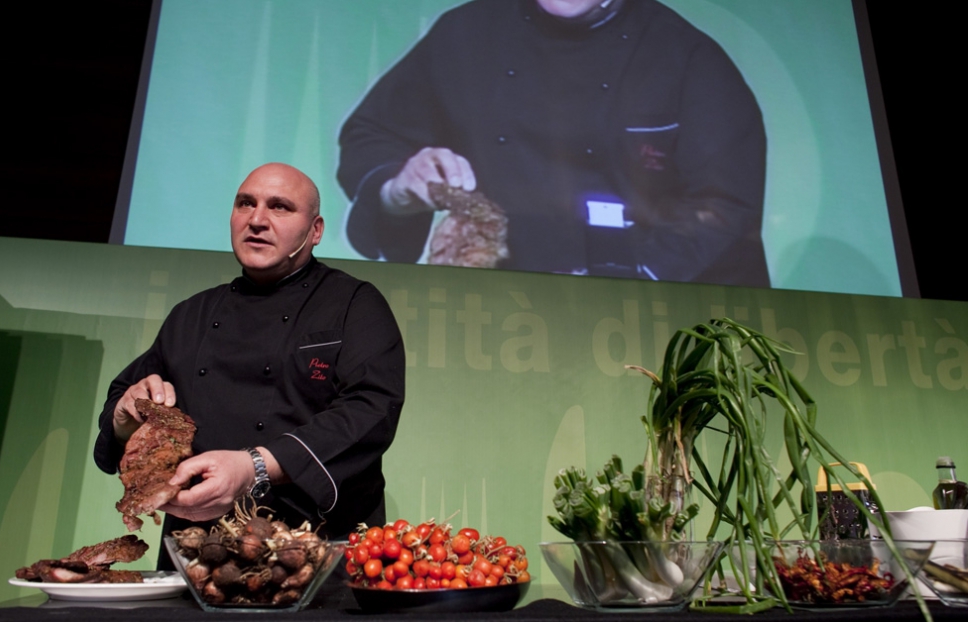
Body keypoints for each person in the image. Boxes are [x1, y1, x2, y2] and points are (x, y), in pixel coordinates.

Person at [94, 163, 405, 568]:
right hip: (199, 555)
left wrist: (253, 466)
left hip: (313, 552)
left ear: (315, 231)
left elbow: (371, 410)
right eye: (246, 204)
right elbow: (124, 401)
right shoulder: (192, 314)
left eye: (280, 207)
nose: (257, 220)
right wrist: (124, 418)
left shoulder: (354, 305)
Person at [338, 0, 770, 286]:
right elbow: (372, 134)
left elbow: (724, 207)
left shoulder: (686, 56)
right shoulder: (469, 32)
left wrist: (631, 281)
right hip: (505, 305)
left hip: (656, 311)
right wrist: (397, 190)